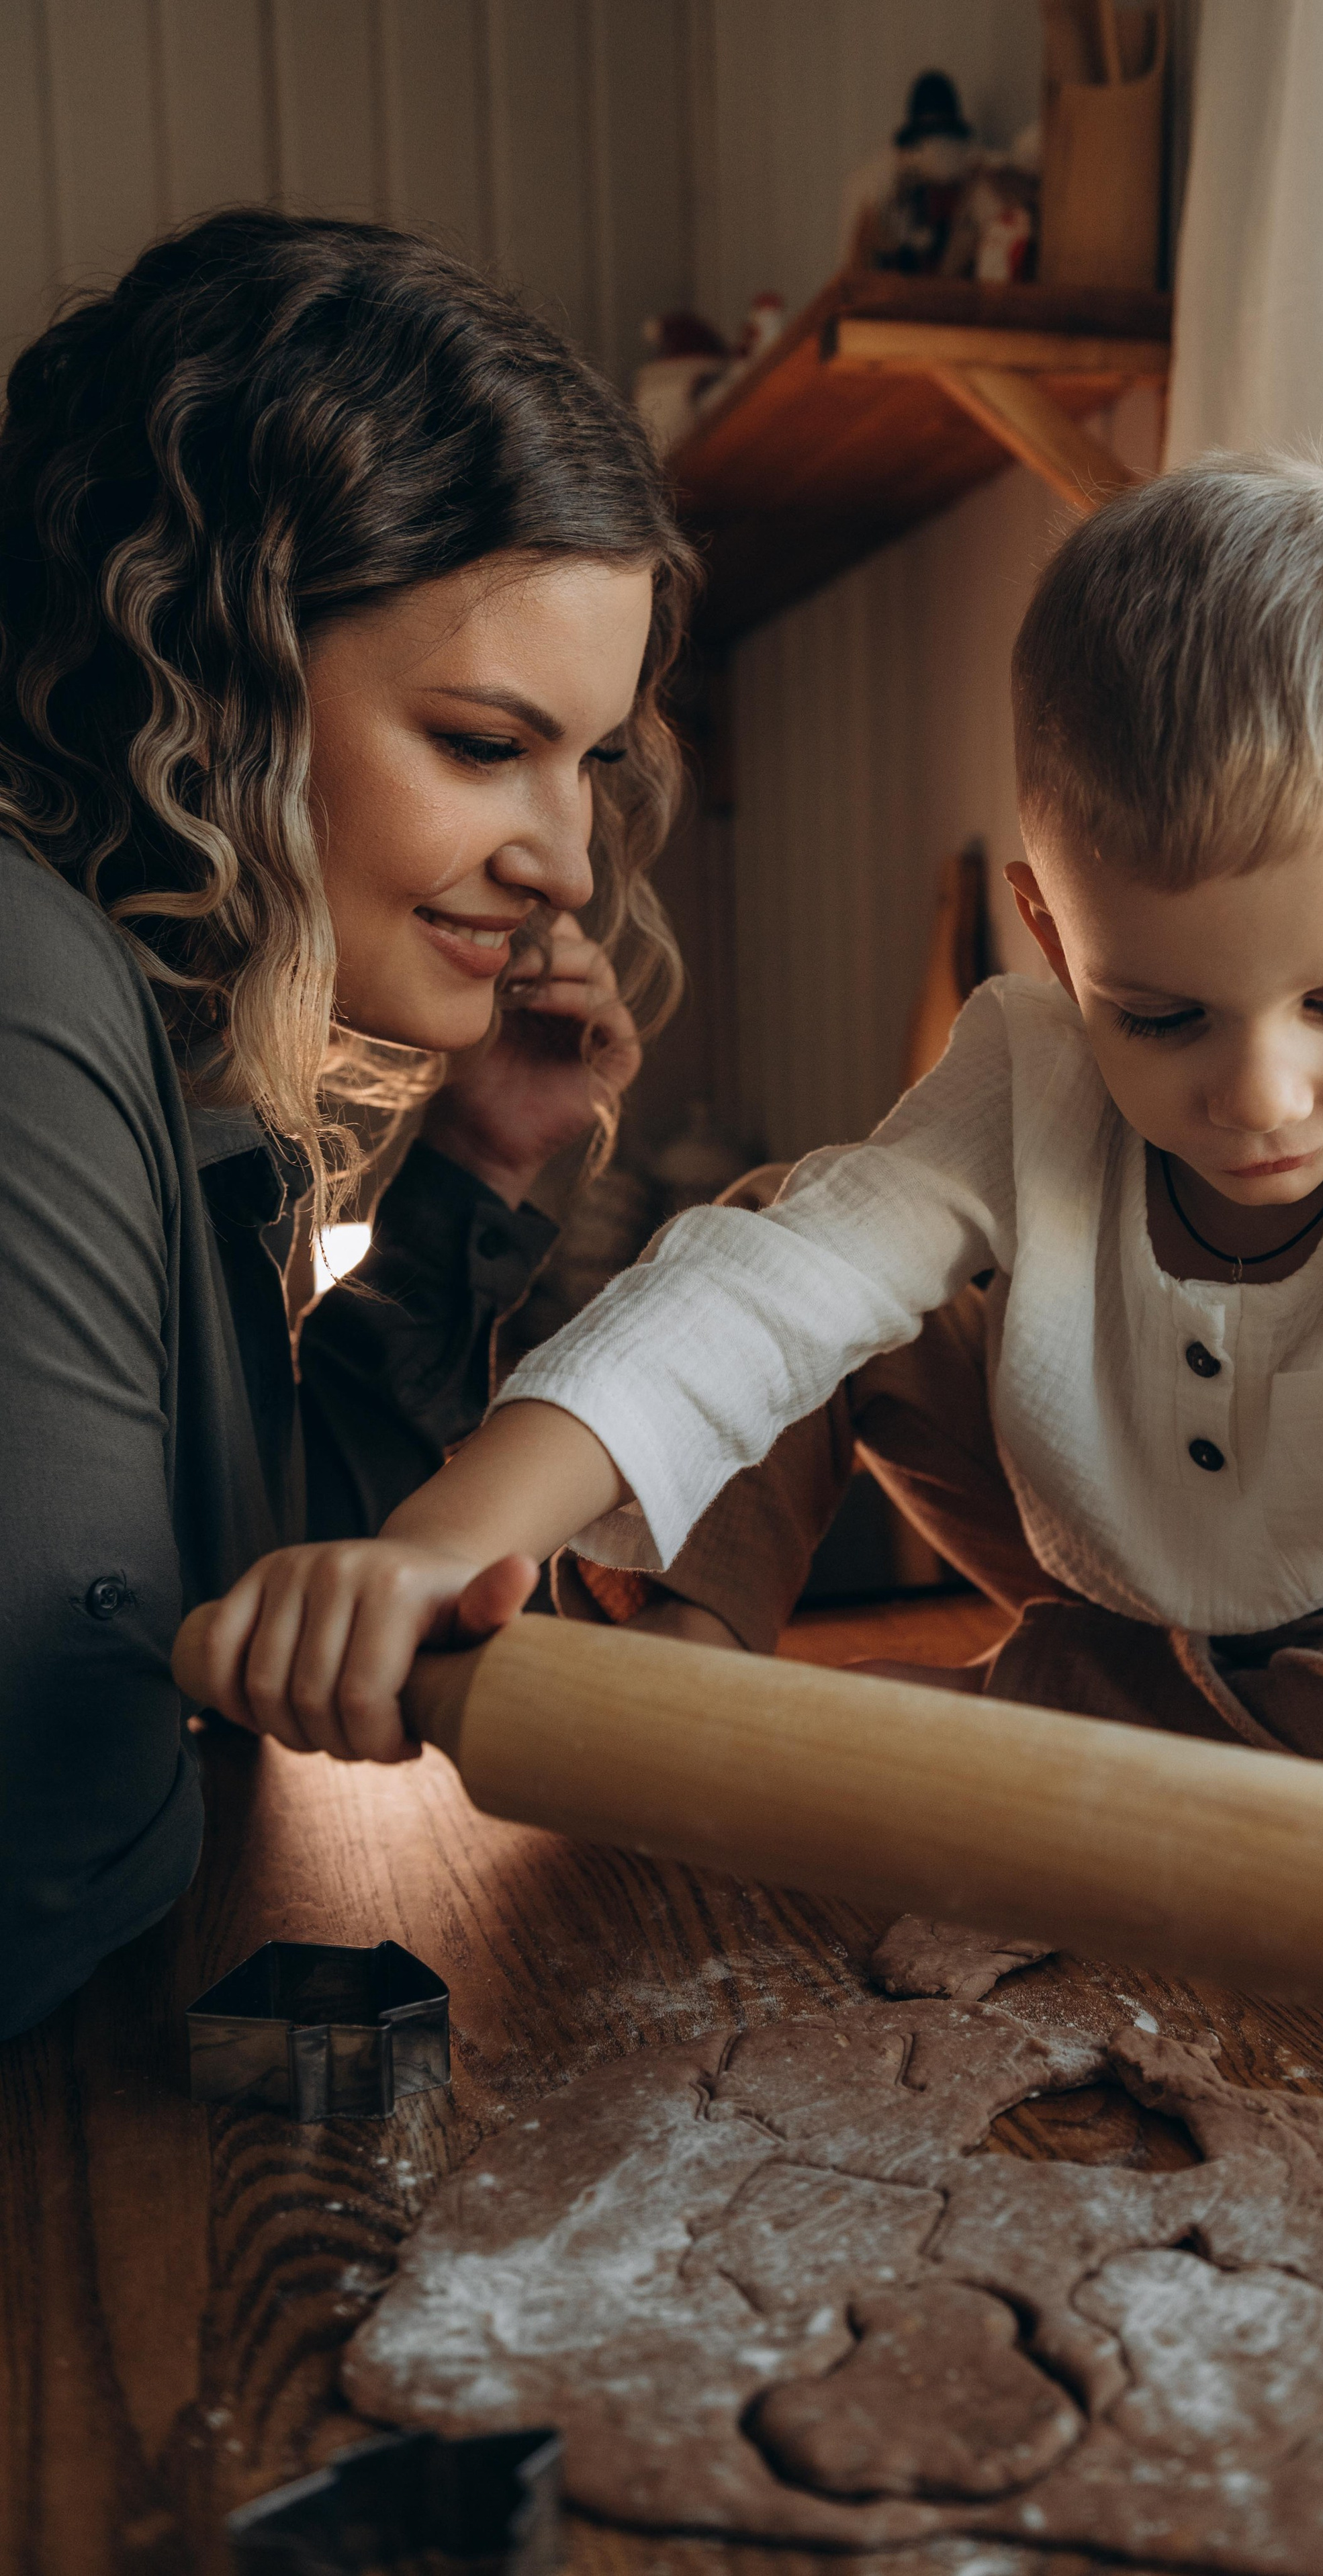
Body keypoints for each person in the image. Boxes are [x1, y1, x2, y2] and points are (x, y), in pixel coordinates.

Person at [193, 454, 1323, 1922]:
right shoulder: (1025, 1064)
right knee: (778, 1227)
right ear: (1053, 940)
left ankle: (991, 1730)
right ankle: (690, 1649)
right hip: (1082, 1526)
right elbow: (770, 1300)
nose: (1257, 1096)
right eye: (1163, 1015)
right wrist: (438, 1539)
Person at [0, 208, 694, 2039]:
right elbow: (63, 1810)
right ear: (210, 677)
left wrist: (475, 1168)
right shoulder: (24, 982)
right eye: (484, 741)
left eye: (592, 756)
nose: (566, 860)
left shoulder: (152, 1030)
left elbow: (256, 1598)